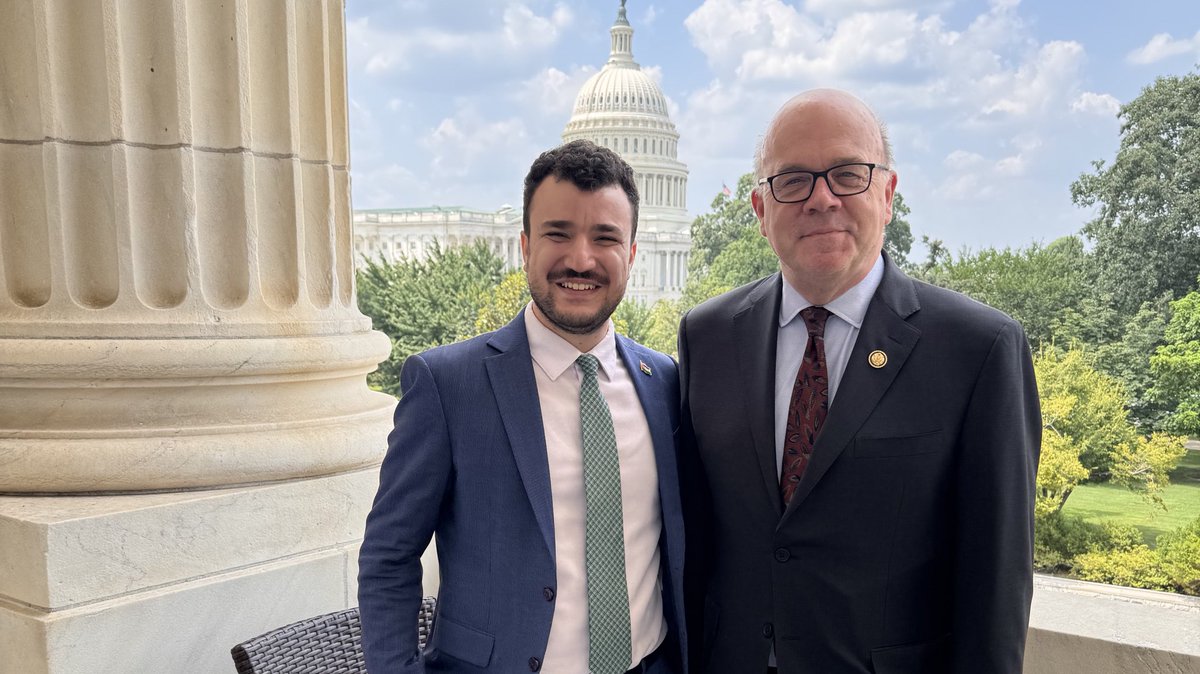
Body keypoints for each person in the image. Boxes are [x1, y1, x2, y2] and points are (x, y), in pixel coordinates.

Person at [677, 89, 1041, 673]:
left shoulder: (979, 350)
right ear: (759, 208)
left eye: (847, 174)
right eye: (792, 180)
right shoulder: (708, 336)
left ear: (888, 193)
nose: (821, 199)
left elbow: (994, 582)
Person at [359, 139, 687, 674]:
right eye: (559, 233)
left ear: (630, 254)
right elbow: (389, 556)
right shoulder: (447, 385)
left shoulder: (664, 382)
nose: (581, 259)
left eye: (605, 237)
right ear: (525, 245)